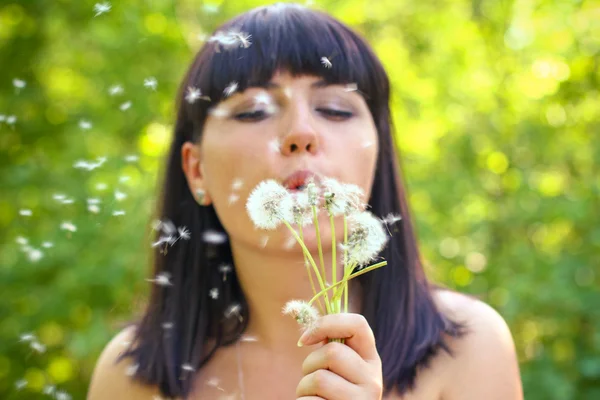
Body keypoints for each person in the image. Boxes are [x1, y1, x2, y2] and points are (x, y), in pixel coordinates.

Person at [88, 3, 523, 399]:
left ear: (379, 151)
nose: (301, 133)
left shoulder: (468, 348)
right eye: (254, 111)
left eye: (335, 109)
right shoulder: (129, 377)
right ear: (196, 169)